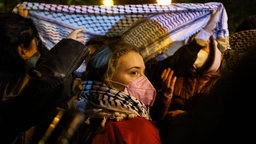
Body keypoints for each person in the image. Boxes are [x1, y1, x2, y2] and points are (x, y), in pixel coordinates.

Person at [52, 35, 176, 144]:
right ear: (107, 77)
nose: (143, 80)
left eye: (142, 73)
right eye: (134, 72)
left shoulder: (137, 128)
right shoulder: (135, 127)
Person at [0, 12, 87, 144]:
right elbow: (41, 86)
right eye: (37, 39)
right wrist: (67, 48)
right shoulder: (12, 92)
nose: (40, 45)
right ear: (22, 50)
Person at [146, 9, 224, 143]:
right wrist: (165, 96)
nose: (197, 53)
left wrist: (188, 118)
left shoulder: (220, 84)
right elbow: (154, 117)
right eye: (195, 48)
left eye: (203, 47)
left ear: (214, 52)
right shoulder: (176, 74)